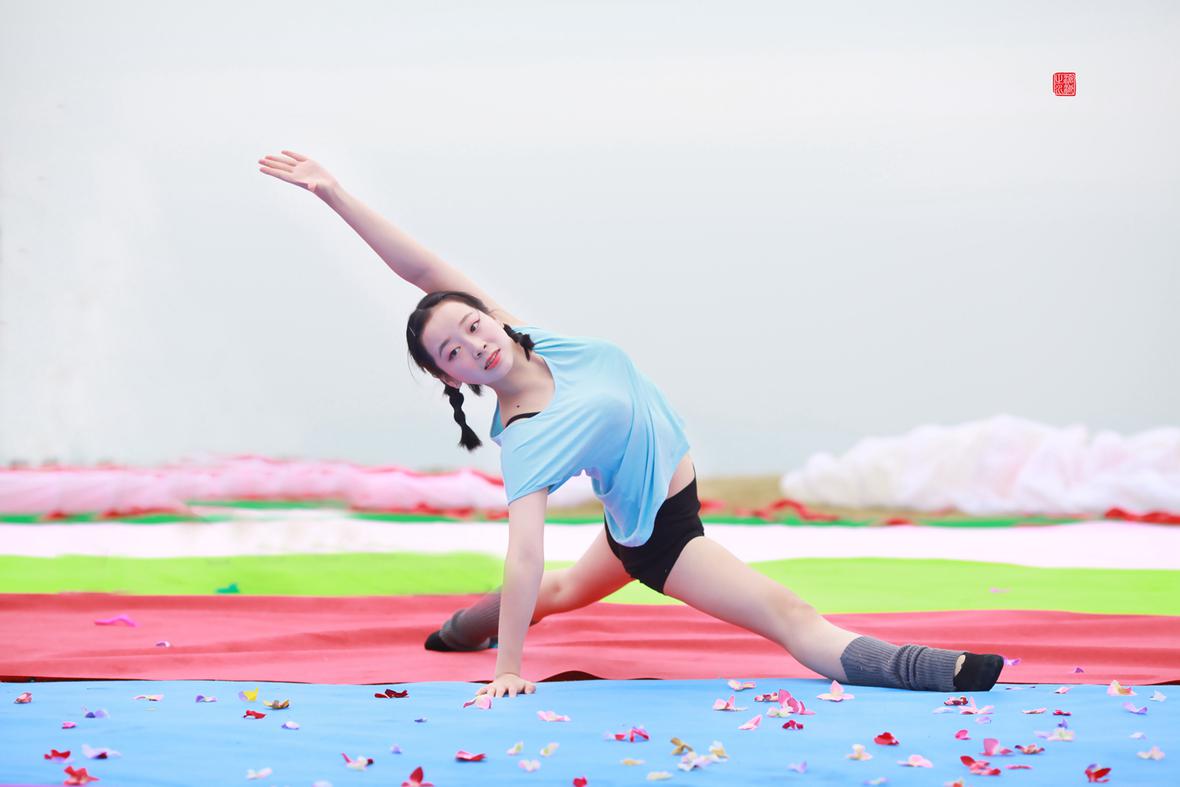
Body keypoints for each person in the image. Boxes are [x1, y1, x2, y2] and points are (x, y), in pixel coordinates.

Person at [259, 150, 1004, 700]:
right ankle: (929, 670)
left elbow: (423, 273)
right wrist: (510, 669)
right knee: (788, 613)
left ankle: (457, 628)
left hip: (636, 512)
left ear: (487, 317)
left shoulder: (526, 337)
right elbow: (524, 553)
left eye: (471, 325)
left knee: (560, 594)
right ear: (454, 377)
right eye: (452, 352)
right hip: (661, 535)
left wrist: (335, 195)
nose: (474, 343)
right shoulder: (527, 436)